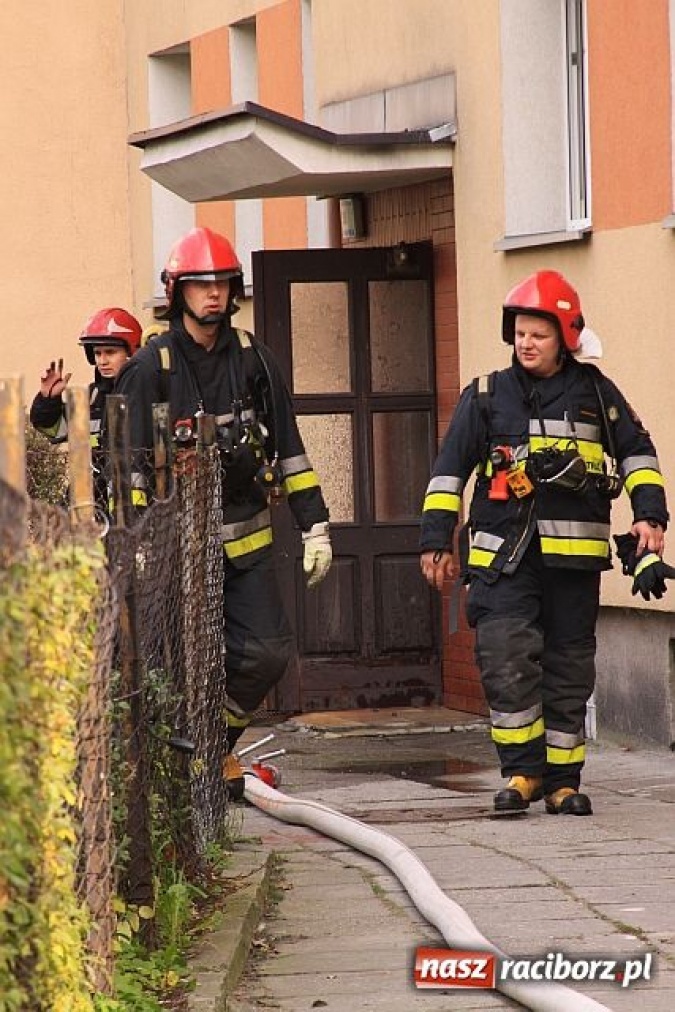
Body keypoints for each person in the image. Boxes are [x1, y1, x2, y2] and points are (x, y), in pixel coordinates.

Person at [419, 270, 668, 816]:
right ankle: (521, 775)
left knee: (569, 671)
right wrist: (436, 540)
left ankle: (563, 781)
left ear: (565, 337)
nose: (526, 344)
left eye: (539, 333)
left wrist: (650, 515)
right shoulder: (485, 396)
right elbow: (448, 474)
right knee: (505, 660)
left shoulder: (597, 394)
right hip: (502, 561)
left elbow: (638, 455)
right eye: (520, 333)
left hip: (572, 565)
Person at [114, 226, 332, 755]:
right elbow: (129, 469)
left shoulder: (255, 359)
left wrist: (316, 526)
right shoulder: (151, 367)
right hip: (173, 552)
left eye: (223, 283)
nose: (214, 293)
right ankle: (172, 765)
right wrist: (140, 543)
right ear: (177, 291)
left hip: (247, 548)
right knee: (170, 667)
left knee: (267, 654)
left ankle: (215, 742)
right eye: (201, 283)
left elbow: (289, 449)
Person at [29, 307, 143, 509]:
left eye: (110, 352)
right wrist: (48, 401)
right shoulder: (90, 398)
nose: (102, 361)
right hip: (88, 498)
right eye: (97, 353)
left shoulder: (144, 394)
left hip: (134, 502)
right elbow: (53, 429)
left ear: (132, 351)